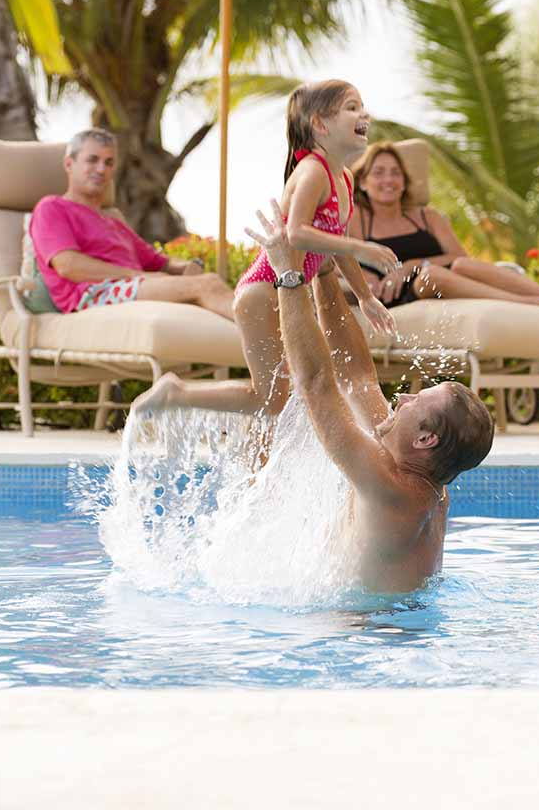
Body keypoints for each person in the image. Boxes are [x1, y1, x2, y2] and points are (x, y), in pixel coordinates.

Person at [246, 199, 495, 592]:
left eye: (416, 401)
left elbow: (315, 384)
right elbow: (359, 378)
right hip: (398, 627)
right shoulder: (426, 482)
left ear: (426, 439)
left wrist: (288, 275)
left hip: (363, 633)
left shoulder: (390, 488)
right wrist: (325, 268)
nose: (402, 400)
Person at [136, 81, 398, 424]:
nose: (364, 113)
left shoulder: (343, 178)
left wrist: (365, 297)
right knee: (270, 399)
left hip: (288, 292)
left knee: (284, 397)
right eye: (352, 107)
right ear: (320, 124)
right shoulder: (312, 172)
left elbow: (337, 240)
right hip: (261, 291)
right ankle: (177, 394)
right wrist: (360, 247)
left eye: (362, 105)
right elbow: (297, 233)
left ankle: (254, 467)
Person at [348, 141, 539, 310]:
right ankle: (536, 302)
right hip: (399, 296)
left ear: (404, 182)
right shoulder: (358, 218)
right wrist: (374, 279)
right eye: (378, 172)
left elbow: (458, 257)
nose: (388, 180)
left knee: (462, 265)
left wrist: (413, 265)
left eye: (395, 173)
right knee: (432, 274)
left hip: (442, 280)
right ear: (363, 182)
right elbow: (342, 260)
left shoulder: (427, 216)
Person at [30, 128, 234, 318]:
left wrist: (187, 266)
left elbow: (161, 262)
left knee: (208, 288)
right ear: (69, 164)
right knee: (205, 285)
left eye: (109, 163)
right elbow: (68, 266)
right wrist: (138, 277)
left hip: (130, 289)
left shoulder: (114, 224)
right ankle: (264, 342)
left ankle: (253, 345)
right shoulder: (51, 208)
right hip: (91, 296)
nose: (101, 169)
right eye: (92, 160)